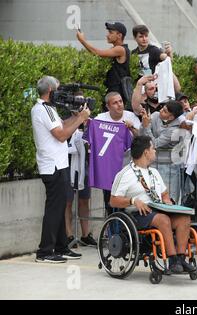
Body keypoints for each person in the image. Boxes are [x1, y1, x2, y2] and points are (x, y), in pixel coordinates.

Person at [110, 136, 195, 273]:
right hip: (138, 214)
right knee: (163, 219)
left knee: (184, 219)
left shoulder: (154, 172)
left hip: (158, 210)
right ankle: (172, 261)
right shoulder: (125, 174)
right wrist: (132, 201)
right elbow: (113, 200)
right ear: (146, 152)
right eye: (153, 149)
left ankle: (180, 259)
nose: (155, 151)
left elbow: (164, 193)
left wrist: (167, 200)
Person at [32, 76, 90, 263]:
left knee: (59, 206)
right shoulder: (43, 109)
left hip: (59, 164)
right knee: (54, 209)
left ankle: (61, 247)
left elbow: (63, 126)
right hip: (52, 166)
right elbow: (62, 135)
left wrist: (76, 115)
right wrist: (80, 118)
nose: (61, 92)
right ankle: (45, 252)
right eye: (58, 88)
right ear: (50, 89)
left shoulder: (50, 109)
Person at [95, 92, 141, 215]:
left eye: (120, 101)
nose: (119, 105)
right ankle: (111, 230)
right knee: (109, 200)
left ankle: (125, 231)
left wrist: (132, 128)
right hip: (108, 168)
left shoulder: (130, 116)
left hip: (127, 167)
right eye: (115, 103)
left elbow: (141, 138)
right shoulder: (99, 119)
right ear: (108, 106)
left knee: (126, 198)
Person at [76, 22, 131, 108]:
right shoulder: (116, 49)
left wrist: (82, 40)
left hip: (116, 93)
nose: (107, 35)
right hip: (112, 91)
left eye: (111, 32)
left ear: (119, 35)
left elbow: (97, 53)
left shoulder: (120, 49)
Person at [140, 100, 185, 203]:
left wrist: (147, 127)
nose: (160, 111)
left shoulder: (175, 130)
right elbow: (142, 135)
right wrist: (144, 124)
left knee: (168, 197)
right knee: (152, 195)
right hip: (153, 163)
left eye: (165, 111)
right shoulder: (155, 115)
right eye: (162, 108)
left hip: (169, 166)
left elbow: (154, 144)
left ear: (171, 117)